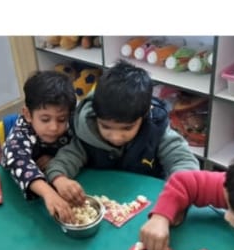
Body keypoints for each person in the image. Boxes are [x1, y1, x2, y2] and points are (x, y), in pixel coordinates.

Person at [45, 60, 199, 201]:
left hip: (148, 198)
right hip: (101, 195)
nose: (116, 137)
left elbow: (183, 161)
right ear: (95, 116)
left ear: (144, 115)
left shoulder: (157, 130)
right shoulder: (87, 129)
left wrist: (180, 187)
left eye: (127, 128)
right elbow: (66, 159)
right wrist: (60, 179)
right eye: (106, 126)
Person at [0, 70, 79, 223]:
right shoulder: (21, 132)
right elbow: (18, 161)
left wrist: (56, 159)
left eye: (61, 119)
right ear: (28, 115)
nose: (54, 127)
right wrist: (48, 193)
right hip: (18, 196)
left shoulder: (71, 123)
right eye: (45, 119)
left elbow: (79, 148)